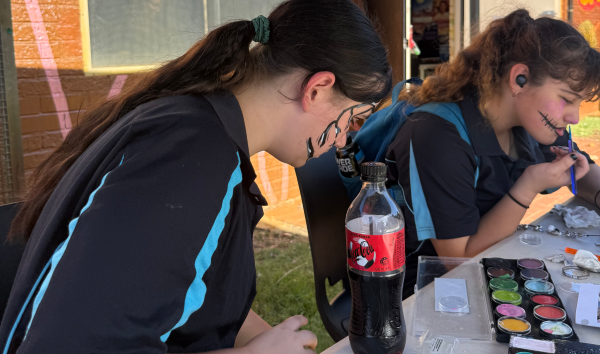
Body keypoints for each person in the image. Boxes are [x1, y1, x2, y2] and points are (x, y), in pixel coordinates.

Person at [0, 1, 391, 353]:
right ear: (319, 89)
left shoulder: (206, 139)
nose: (343, 139)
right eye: (353, 119)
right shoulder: (190, 158)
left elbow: (195, 292)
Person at [386, 9, 600, 299]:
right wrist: (527, 187)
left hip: (491, 268)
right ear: (520, 79)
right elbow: (457, 260)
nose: (574, 117)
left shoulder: (529, 121)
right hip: (419, 293)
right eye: (567, 99)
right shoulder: (436, 135)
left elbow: (581, 168)